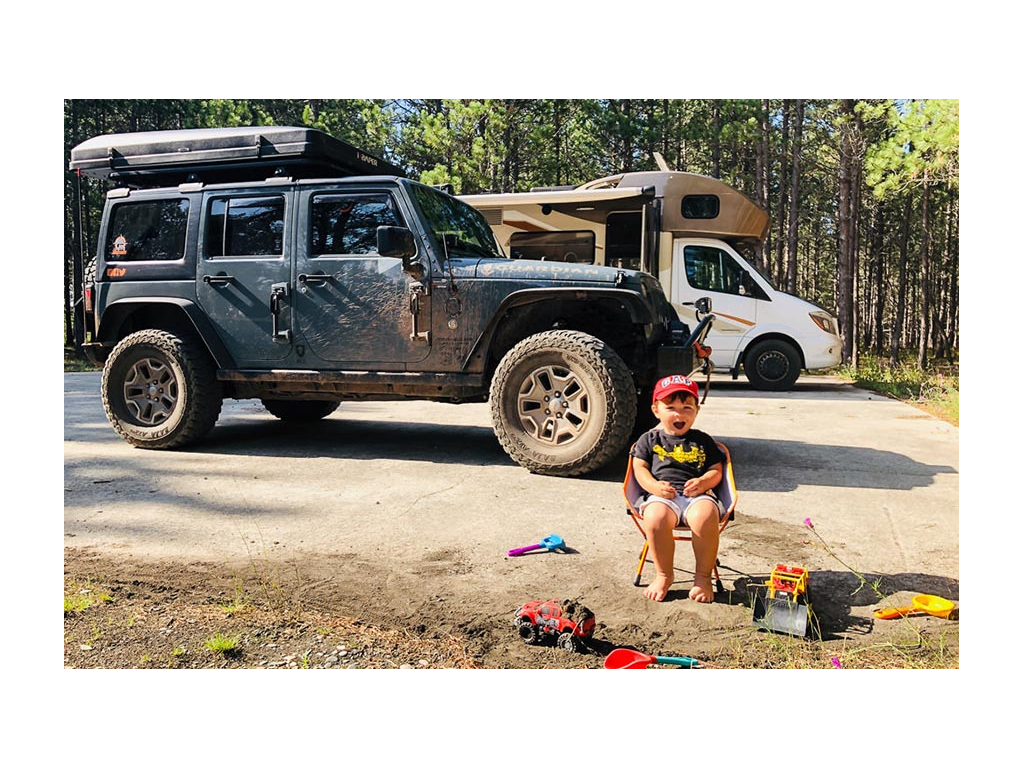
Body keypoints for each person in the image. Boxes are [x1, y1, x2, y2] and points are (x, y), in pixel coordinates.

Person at [631, 374, 726, 603]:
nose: (679, 414)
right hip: (662, 495)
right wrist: (654, 486)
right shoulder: (649, 439)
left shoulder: (703, 440)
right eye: (671, 407)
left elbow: (716, 470)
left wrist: (704, 482)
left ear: (696, 410)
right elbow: (639, 468)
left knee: (705, 516)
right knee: (655, 517)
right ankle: (664, 574)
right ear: (656, 410)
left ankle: (702, 577)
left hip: (697, 496)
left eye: (686, 407)